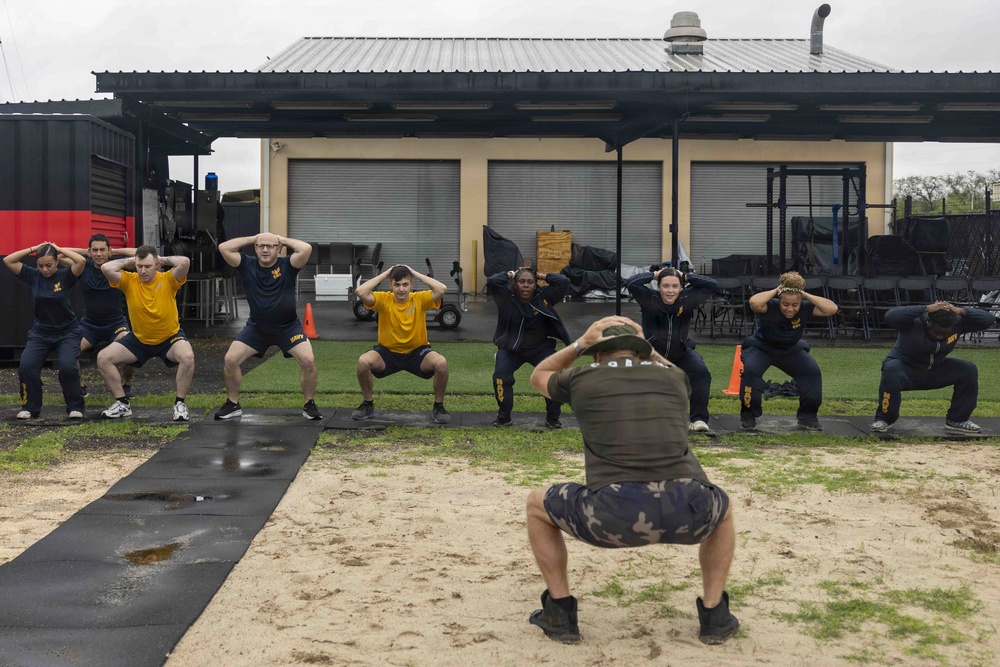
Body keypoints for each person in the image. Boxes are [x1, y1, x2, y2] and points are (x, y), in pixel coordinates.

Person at [525, 315, 738, 645]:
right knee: (722, 508)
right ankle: (715, 615)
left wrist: (580, 342)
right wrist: (648, 347)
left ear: (598, 353)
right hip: (689, 511)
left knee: (537, 504)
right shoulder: (675, 377)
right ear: (640, 352)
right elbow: (669, 368)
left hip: (611, 516)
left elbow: (538, 376)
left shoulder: (581, 375)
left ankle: (560, 611)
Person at [214, 233, 322, 420]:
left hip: (288, 328)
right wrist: (253, 238)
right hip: (256, 328)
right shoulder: (247, 264)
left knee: (308, 360)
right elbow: (224, 247)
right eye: (260, 246)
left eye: (270, 246)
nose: (265, 250)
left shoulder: (288, 265)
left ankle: (309, 404)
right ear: (255, 248)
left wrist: (282, 239)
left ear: (278, 249)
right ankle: (232, 404)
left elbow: (306, 249)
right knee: (230, 359)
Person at [96, 245, 194, 422]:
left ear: (156, 265)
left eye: (147, 266)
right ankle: (122, 403)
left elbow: (184, 262)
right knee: (103, 358)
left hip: (169, 338)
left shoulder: (168, 279)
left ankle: (180, 404)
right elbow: (106, 267)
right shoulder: (129, 280)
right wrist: (131, 261)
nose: (143, 271)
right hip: (139, 340)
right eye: (140, 266)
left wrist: (161, 259)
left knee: (187, 357)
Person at [871, 301, 995, 434]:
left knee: (968, 369)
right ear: (929, 322)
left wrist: (958, 310)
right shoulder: (914, 322)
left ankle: (957, 420)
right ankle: (884, 419)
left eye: (944, 334)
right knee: (891, 368)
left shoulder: (957, 323)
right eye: (936, 332)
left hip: (935, 370)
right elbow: (890, 316)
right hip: (906, 370)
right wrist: (925, 308)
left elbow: (989, 319)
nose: (940, 336)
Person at [739, 271, 839, 431]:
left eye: (794, 305)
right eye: (785, 304)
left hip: (790, 349)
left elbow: (832, 309)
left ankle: (808, 417)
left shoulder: (805, 308)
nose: (790, 309)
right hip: (762, 348)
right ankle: (748, 414)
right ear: (779, 300)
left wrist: (804, 294)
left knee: (811, 371)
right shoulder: (770, 305)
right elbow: (754, 303)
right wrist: (778, 289)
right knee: (751, 371)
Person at [351, 263, 451, 424]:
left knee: (441, 363)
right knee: (363, 362)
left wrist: (414, 273)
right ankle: (367, 404)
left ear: (411, 284)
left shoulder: (419, 299)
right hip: (387, 354)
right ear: (391, 285)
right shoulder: (384, 299)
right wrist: (386, 274)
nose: (401, 289)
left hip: (417, 353)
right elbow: (360, 291)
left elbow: (442, 289)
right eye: (397, 285)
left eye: (405, 284)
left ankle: (438, 406)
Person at [625, 265, 717, 432]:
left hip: (679, 352)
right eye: (665, 286)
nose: (670, 291)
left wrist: (685, 276)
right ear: (658, 287)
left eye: (675, 286)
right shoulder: (649, 298)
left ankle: (698, 419)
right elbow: (632, 283)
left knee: (701, 372)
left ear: (681, 287)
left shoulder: (687, 299)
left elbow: (711, 285)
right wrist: (655, 274)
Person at [3, 242, 87, 419]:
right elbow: (9, 260)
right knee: (26, 365)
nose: (45, 270)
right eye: (40, 265)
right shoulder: (33, 275)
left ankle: (75, 407)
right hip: (41, 332)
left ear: (57, 262)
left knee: (67, 367)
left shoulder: (66, 276)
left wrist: (59, 249)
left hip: (67, 332)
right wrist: (34, 248)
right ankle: (30, 407)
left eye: (49, 265)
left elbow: (80, 261)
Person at [487, 267, 571, 428]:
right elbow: (492, 281)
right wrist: (510, 273)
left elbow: (564, 282)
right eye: (521, 281)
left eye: (530, 282)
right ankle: (504, 417)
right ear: (515, 284)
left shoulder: (543, 297)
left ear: (535, 285)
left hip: (540, 349)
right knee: (500, 376)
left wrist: (540, 274)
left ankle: (553, 419)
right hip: (512, 349)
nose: (526, 285)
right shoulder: (505, 298)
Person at [61, 235, 136, 398]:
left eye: (102, 250)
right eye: (94, 250)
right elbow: (59, 256)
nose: (98, 253)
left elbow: (139, 254)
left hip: (116, 324)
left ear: (109, 251)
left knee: (131, 349)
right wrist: (85, 253)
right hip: (90, 326)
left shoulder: (116, 267)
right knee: (68, 350)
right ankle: (80, 386)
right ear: (89, 252)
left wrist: (112, 253)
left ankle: (125, 383)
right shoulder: (83, 267)